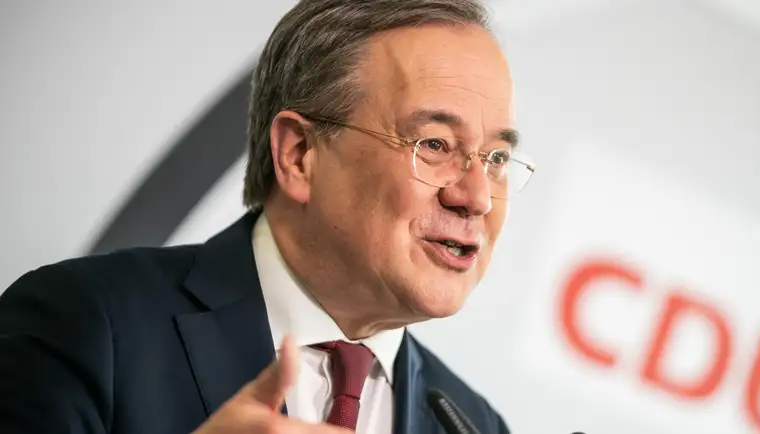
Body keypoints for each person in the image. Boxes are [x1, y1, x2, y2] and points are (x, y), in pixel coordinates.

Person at [0, 0, 535, 432]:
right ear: (299, 154)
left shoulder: (475, 424)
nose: (477, 198)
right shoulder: (88, 326)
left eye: (496, 158)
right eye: (435, 144)